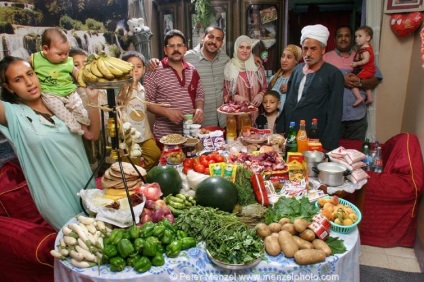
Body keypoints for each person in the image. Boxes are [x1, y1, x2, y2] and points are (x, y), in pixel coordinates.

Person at [0, 56, 101, 231]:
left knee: (106, 241)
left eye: (30, 74)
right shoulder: (13, 115)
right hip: (56, 199)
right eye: (18, 80)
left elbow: (92, 134)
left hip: (87, 188)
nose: (29, 82)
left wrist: (92, 100)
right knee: (81, 248)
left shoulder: (59, 102)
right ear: (9, 87)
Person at [275, 24, 345, 151]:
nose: (308, 53)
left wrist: (328, 146)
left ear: (323, 50)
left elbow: (335, 113)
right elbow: (289, 103)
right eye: (305, 48)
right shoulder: (297, 70)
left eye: (313, 49)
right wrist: (281, 129)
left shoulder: (334, 74)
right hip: (292, 134)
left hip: (315, 138)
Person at [323, 25, 382, 141]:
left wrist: (359, 82)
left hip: (357, 118)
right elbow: (317, 83)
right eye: (340, 36)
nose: (343, 39)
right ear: (334, 39)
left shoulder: (362, 57)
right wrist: (340, 79)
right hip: (332, 117)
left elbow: (376, 78)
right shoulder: (325, 58)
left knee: (355, 154)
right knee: (331, 155)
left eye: (347, 36)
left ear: (352, 39)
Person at [144, 29, 205, 140]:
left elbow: (199, 95)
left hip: (190, 135)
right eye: (171, 46)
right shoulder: (154, 71)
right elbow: (147, 102)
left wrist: (199, 109)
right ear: (165, 50)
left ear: (185, 48)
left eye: (179, 45)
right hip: (165, 137)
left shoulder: (192, 70)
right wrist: (167, 112)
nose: (176, 49)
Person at [30, 27, 91, 137]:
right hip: (50, 93)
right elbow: (25, 70)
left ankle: (84, 126)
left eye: (67, 53)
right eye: (60, 54)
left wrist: (85, 82)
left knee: (79, 108)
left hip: (69, 91)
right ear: (45, 49)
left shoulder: (67, 61)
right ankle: (74, 127)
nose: (64, 57)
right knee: (62, 113)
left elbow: (76, 72)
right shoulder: (35, 59)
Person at [120, 51, 161, 171]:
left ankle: (142, 174)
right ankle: (136, 179)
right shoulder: (121, 90)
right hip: (129, 138)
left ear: (144, 69)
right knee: (133, 164)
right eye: (131, 67)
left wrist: (149, 134)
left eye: (138, 67)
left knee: (155, 155)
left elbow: (143, 115)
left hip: (143, 135)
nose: (135, 70)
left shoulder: (143, 89)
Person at [69, 47, 108, 171]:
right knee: (92, 164)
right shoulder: (72, 92)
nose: (81, 68)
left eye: (85, 63)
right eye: (76, 65)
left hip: (105, 132)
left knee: (107, 162)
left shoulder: (99, 86)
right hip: (87, 136)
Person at [223, 35, 268, 124]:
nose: (245, 50)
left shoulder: (258, 67)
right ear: (236, 48)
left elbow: (265, 88)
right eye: (241, 47)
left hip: (257, 116)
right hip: (237, 118)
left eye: (248, 48)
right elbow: (225, 94)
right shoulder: (229, 67)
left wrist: (261, 95)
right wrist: (235, 97)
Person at [268, 44, 302, 111]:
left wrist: (291, 88)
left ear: (296, 61)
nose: (284, 60)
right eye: (283, 56)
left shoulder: (298, 80)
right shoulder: (273, 79)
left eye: (289, 57)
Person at [350, 26, 376, 106]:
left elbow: (366, 60)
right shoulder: (368, 46)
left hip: (364, 70)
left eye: (360, 36)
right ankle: (370, 98)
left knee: (352, 81)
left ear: (368, 38)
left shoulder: (365, 50)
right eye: (356, 36)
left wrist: (356, 64)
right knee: (366, 85)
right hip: (369, 71)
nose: (357, 39)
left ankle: (359, 97)